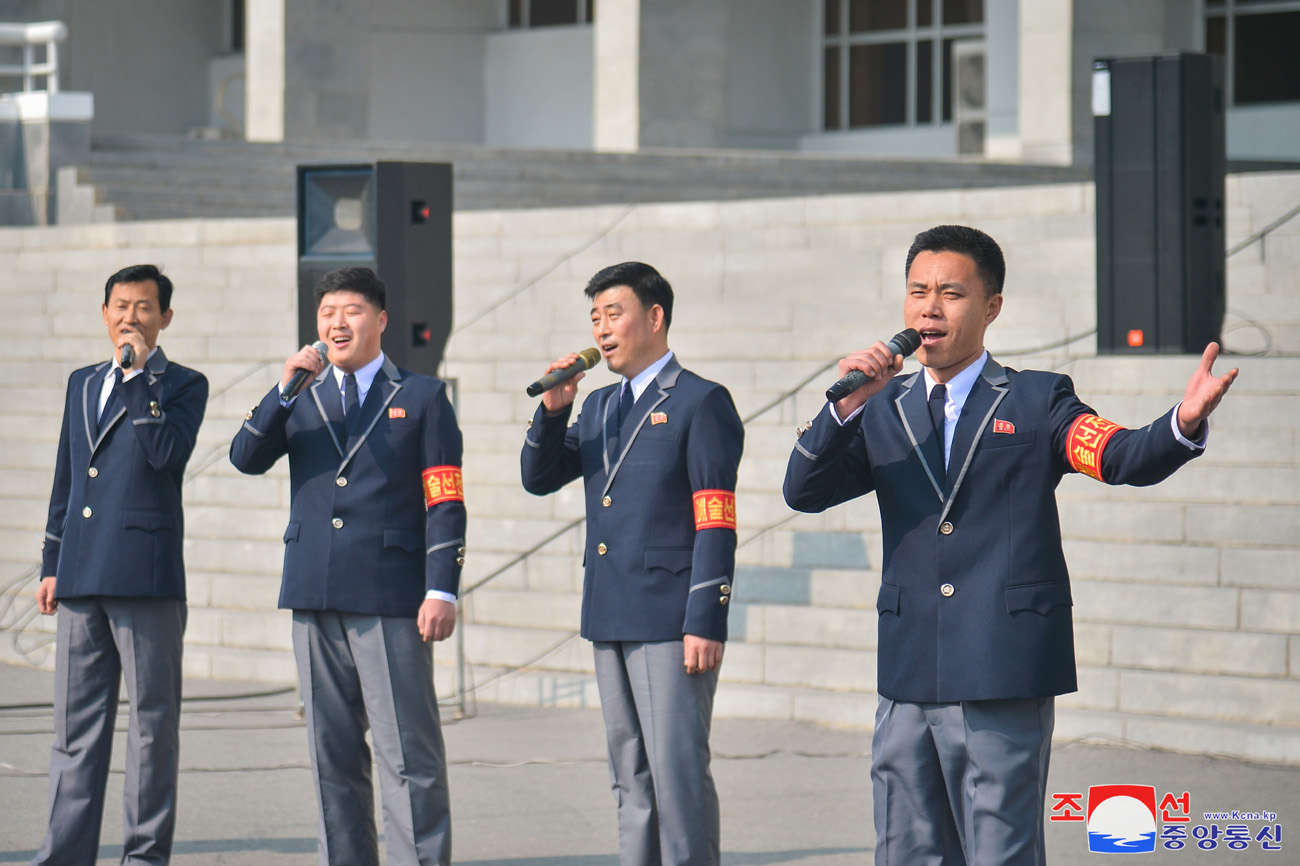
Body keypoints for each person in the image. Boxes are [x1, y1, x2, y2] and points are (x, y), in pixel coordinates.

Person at [782, 225, 1237, 866]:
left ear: (991, 307)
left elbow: (1116, 453)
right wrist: (846, 407)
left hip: (1002, 662)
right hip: (909, 667)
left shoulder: (1035, 398)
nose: (929, 309)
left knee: (1001, 848)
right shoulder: (882, 408)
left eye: (951, 293)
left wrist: (1180, 424)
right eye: (917, 292)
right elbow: (803, 489)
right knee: (906, 848)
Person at [229, 267, 464, 866]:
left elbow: (446, 500)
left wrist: (442, 589)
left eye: (352, 310)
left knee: (407, 755)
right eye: (328, 311)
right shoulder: (299, 395)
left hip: (390, 596)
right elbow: (246, 456)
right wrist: (282, 390)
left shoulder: (422, 396)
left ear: (380, 320)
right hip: (313, 592)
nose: (337, 322)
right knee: (330, 756)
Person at [520, 262, 744, 866]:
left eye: (613, 313)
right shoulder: (596, 407)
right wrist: (554, 409)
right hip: (610, 610)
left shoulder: (701, 401)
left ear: (654, 317)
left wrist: (706, 618)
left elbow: (716, 519)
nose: (602, 328)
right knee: (631, 778)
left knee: (676, 774)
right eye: (594, 317)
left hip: (672, 619)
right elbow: (538, 478)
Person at [32, 264, 208, 866]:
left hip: (146, 575)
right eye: (120, 306)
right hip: (81, 574)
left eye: (143, 307)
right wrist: (52, 559)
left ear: (164, 317)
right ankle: (63, 854)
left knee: (151, 731)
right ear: (104, 312)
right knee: (75, 733)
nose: (129, 317)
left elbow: (165, 455)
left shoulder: (184, 383)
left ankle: (143, 857)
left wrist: (137, 380)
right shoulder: (82, 382)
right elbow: (67, 474)